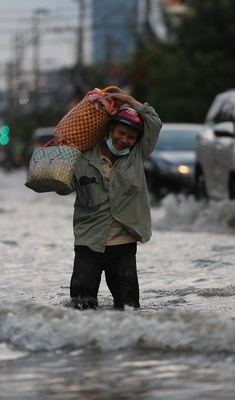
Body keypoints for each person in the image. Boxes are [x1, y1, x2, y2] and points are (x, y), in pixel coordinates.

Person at [63, 92, 162, 310]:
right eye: (121, 132)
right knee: (81, 307)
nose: (124, 139)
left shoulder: (137, 156)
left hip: (123, 246)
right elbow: (63, 189)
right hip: (88, 244)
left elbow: (154, 122)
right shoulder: (82, 158)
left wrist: (129, 101)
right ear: (110, 130)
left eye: (131, 137)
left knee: (129, 309)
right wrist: (59, 158)